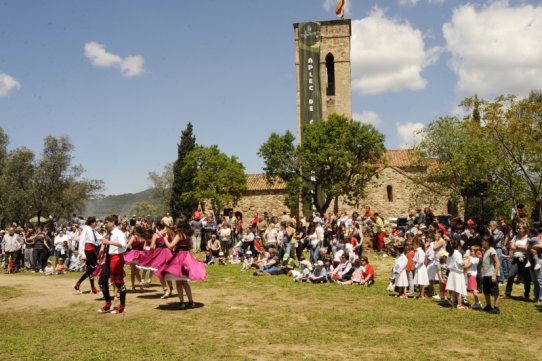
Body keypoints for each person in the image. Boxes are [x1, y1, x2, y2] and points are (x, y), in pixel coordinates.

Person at [157, 216, 207, 309]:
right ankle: (191, 302)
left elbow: (170, 246)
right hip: (186, 256)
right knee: (185, 282)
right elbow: (191, 246)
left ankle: (182, 303)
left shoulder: (179, 234)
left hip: (179, 257)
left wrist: (164, 238)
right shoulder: (187, 234)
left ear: (179, 224)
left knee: (179, 282)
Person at [97, 215, 128, 314]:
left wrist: (108, 242)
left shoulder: (119, 233)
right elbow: (104, 241)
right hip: (109, 257)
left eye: (107, 222)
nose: (105, 224)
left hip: (117, 257)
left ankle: (122, 306)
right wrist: (102, 249)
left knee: (118, 282)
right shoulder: (108, 233)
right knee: (102, 281)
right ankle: (108, 303)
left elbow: (123, 244)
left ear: (112, 222)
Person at [137, 222, 174, 299]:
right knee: (167, 272)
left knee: (160, 272)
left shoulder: (156, 234)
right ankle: (171, 289)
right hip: (168, 253)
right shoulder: (168, 233)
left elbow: (152, 247)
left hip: (160, 253)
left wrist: (150, 254)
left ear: (157, 226)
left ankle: (165, 290)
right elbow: (172, 243)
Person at [74, 217, 102, 294]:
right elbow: (82, 241)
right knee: (92, 269)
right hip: (88, 250)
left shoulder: (93, 230)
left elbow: (100, 237)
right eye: (94, 222)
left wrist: (109, 238)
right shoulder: (86, 229)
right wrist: (82, 254)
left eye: (96, 222)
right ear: (90, 222)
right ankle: (81, 285)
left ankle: (81, 285)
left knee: (91, 269)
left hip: (92, 250)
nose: (96, 223)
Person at [504, 223, 531, 300]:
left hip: (525, 259)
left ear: (524, 229)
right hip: (516, 258)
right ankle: (507, 294)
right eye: (518, 228)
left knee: (526, 278)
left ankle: (527, 295)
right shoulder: (515, 237)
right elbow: (512, 247)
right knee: (510, 275)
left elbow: (527, 248)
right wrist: (521, 247)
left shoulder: (528, 238)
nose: (518, 229)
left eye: (520, 228)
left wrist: (517, 246)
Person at [123, 226, 148, 292]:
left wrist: (122, 246)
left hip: (133, 255)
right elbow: (144, 248)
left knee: (133, 272)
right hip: (141, 255)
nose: (133, 231)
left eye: (134, 230)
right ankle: (141, 286)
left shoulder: (133, 237)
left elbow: (128, 245)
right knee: (137, 272)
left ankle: (133, 287)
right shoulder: (143, 239)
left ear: (136, 231)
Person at [445, 238, 468, 309]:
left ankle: (454, 302)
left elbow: (448, 263)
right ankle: (459, 304)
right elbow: (460, 263)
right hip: (458, 273)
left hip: (452, 273)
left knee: (454, 289)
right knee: (459, 289)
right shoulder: (458, 253)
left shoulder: (450, 253)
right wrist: (466, 261)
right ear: (458, 246)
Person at [481, 235, 501, 314]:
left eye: (483, 241)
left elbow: (497, 263)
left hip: (491, 274)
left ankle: (496, 308)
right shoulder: (486, 250)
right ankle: (488, 306)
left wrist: (494, 275)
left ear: (488, 242)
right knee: (486, 291)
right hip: (486, 274)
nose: (482, 242)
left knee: (495, 291)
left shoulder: (492, 250)